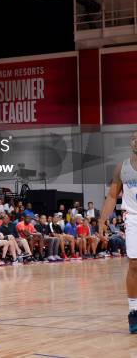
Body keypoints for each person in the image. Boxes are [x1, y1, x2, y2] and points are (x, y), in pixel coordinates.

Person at [99, 132, 137, 333]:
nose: (136, 140)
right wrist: (102, 220)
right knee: (134, 264)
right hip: (134, 218)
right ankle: (133, 311)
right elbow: (113, 196)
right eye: (134, 137)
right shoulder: (122, 167)